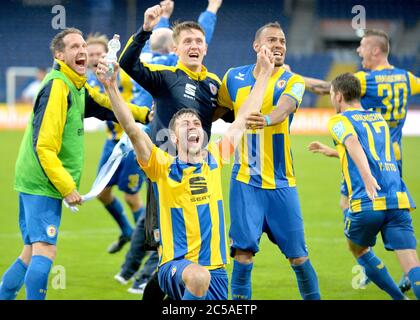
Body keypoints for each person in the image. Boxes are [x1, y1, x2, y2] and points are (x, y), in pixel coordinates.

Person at [96, 43, 274, 299]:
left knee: (210, 283)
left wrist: (265, 74)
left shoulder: (215, 157)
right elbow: (132, 129)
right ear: (175, 138)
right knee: (197, 276)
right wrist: (111, 86)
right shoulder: (161, 165)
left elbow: (244, 117)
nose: (192, 125)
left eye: (196, 123)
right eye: (184, 124)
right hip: (176, 264)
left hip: (217, 269)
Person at [0, 28, 150, 300]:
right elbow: (43, 146)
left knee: (30, 251)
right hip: (41, 183)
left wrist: (146, 114)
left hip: (35, 180)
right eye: (74, 47)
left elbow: (107, 106)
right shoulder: (58, 86)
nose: (82, 51)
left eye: (84, 46)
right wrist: (68, 187)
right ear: (59, 55)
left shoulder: (76, 87)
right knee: (45, 250)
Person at [119, 2, 228, 298]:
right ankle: (149, 280)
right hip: (166, 173)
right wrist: (145, 30)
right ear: (176, 49)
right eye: (187, 41)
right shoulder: (166, 77)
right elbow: (128, 64)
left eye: (198, 41)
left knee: (190, 247)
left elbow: (232, 115)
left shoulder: (214, 84)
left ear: (205, 48)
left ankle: (169, 283)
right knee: (164, 243)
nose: (194, 45)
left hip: (202, 171)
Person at [304, 29, 420, 291]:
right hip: (391, 156)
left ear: (375, 51)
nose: (358, 51)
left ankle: (368, 260)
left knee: (353, 208)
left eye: (362, 46)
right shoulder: (406, 78)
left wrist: (289, 77)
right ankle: (403, 270)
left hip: (365, 155)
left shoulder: (364, 80)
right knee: (395, 219)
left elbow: (327, 87)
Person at [216, 22, 321, 300]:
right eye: (272, 40)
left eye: (283, 41)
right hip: (244, 181)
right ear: (256, 46)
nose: (279, 45)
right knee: (242, 254)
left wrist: (265, 119)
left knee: (298, 257)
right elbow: (215, 110)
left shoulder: (292, 80)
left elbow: (285, 108)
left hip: (282, 182)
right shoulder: (233, 78)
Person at [326, 72, 420, 299]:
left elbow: (352, 142)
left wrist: (367, 178)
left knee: (357, 248)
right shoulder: (378, 119)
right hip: (397, 199)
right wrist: (331, 151)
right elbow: (371, 152)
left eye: (330, 94)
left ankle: (399, 298)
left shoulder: (339, 120)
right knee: (412, 265)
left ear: (338, 96)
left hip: (367, 199)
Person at [86, 33, 148, 254]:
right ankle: (128, 232)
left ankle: (147, 244)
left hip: (131, 143)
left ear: (107, 54)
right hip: (111, 142)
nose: (94, 58)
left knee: (132, 196)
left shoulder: (122, 74)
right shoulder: (90, 80)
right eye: (90, 54)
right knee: (102, 193)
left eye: (98, 54)